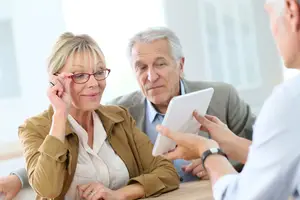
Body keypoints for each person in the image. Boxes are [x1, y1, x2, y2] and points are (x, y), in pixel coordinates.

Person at [0, 27, 256, 199]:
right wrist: (18, 178)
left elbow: (267, 149)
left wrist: (215, 160)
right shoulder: (123, 109)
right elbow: (53, 166)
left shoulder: (116, 116)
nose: (151, 76)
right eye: (141, 67)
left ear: (180, 65)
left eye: (160, 64)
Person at [157, 0, 300, 199]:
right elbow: (283, 160)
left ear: (291, 11)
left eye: (269, 14)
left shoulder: (290, 102)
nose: (271, 29)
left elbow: (238, 196)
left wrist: (207, 151)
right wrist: (230, 142)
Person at [14, 32, 180, 200]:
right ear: (55, 80)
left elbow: (167, 172)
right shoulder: (34, 128)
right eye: (79, 76)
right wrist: (60, 115)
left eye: (99, 72)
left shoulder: (118, 117)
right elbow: (47, 189)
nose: (94, 83)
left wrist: (119, 194)